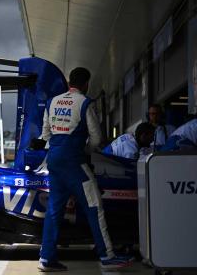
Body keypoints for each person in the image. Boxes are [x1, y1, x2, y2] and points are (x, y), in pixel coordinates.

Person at [39, 67, 132, 272]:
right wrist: (83, 150)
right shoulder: (85, 103)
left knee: (54, 210)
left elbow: (45, 135)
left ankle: (46, 258)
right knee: (95, 206)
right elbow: (97, 139)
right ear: (86, 83)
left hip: (54, 161)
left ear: (69, 82)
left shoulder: (51, 102)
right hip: (74, 162)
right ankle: (107, 256)